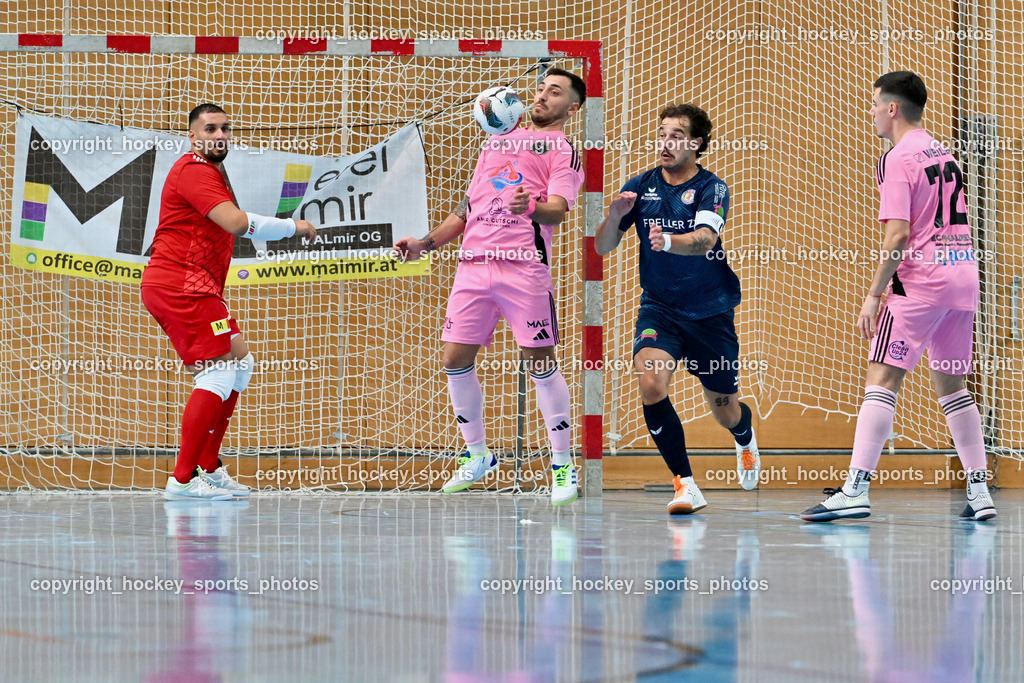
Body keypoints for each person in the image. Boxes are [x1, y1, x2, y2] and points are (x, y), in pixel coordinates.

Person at [801, 71, 994, 522]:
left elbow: (899, 234)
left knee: (881, 380)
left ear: (892, 108)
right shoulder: (944, 152)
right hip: (963, 278)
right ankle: (980, 491)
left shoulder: (896, 158)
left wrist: (874, 295)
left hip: (921, 283)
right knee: (954, 387)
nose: (870, 112)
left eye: (874, 104)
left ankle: (855, 490)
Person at [394, 68, 586, 506]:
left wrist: (530, 205)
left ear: (572, 108)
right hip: (473, 267)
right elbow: (466, 209)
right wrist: (424, 244)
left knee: (540, 362)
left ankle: (562, 465)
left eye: (555, 92)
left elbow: (558, 210)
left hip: (523, 268)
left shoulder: (561, 149)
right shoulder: (496, 142)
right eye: (540, 88)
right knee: (454, 359)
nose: (542, 96)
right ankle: (478, 455)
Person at [142, 103, 317, 500]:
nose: (220, 136)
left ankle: (209, 466)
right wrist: (294, 226)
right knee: (216, 374)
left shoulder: (209, 172)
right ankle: (182, 480)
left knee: (240, 363)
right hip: (181, 286)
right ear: (192, 136)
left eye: (225, 128)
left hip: (199, 287)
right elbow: (237, 223)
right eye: (210, 129)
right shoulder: (194, 171)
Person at [594, 103, 761, 515]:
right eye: (662, 134)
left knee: (725, 410)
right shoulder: (641, 185)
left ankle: (743, 434)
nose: (665, 143)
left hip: (710, 311)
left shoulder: (712, 188)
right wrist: (614, 217)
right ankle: (685, 484)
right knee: (651, 384)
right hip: (660, 309)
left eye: (676, 135)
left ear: (696, 143)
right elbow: (602, 246)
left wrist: (667, 241)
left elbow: (705, 240)